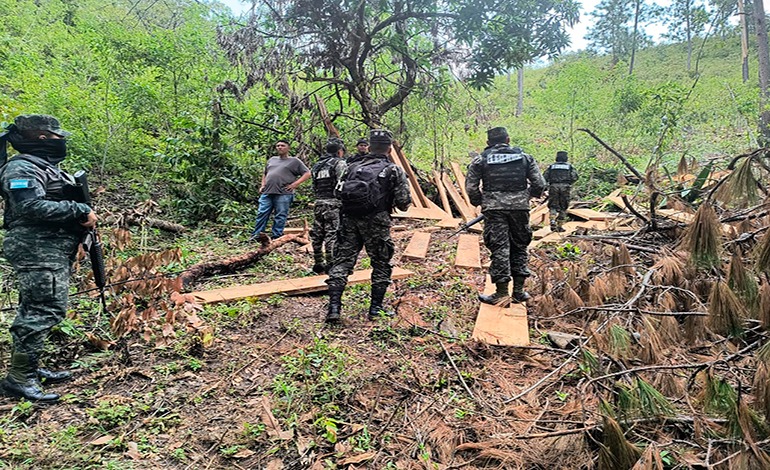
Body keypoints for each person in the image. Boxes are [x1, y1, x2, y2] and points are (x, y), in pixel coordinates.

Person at [0, 114, 98, 402]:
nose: (62, 141)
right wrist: (78, 210)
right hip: (36, 247)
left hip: (49, 246)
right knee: (43, 309)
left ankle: (29, 367)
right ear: (42, 138)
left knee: (36, 307)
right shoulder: (21, 167)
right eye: (58, 136)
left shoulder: (44, 167)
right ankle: (19, 378)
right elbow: (29, 206)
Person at [325, 129, 411, 323]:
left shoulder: (351, 166)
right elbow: (404, 203)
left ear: (369, 147)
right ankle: (375, 309)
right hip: (377, 220)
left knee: (342, 262)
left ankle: (334, 309)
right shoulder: (394, 169)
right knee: (381, 262)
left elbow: (337, 192)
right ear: (389, 149)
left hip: (348, 219)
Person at [465, 126, 545, 306]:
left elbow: (471, 187)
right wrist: (526, 196)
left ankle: (501, 293)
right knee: (519, 245)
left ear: (488, 143)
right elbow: (539, 183)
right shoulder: (525, 158)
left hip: (494, 210)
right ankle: (519, 292)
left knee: (500, 247)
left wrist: (480, 201)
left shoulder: (480, 160)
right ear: (508, 139)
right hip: (520, 209)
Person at [251, 140, 311, 240]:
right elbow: (265, 173)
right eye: (278, 146)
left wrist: (295, 184)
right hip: (267, 192)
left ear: (288, 148)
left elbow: (307, 173)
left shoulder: (294, 161)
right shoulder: (272, 160)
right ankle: (257, 235)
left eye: (282, 146)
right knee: (262, 213)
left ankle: (276, 236)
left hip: (284, 193)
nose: (279, 147)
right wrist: (262, 185)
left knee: (280, 215)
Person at [310, 138, 348, 274]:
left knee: (317, 234)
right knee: (332, 234)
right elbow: (342, 183)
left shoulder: (317, 165)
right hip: (333, 203)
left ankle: (318, 262)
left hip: (319, 202)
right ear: (340, 151)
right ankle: (331, 264)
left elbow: (313, 186)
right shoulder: (339, 163)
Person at [543, 150, 579, 232]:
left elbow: (544, 177)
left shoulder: (551, 166)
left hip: (553, 186)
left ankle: (552, 220)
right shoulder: (569, 167)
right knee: (563, 206)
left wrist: (547, 185)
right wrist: (568, 183)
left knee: (553, 205)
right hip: (565, 187)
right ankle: (560, 226)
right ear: (566, 158)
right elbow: (575, 177)